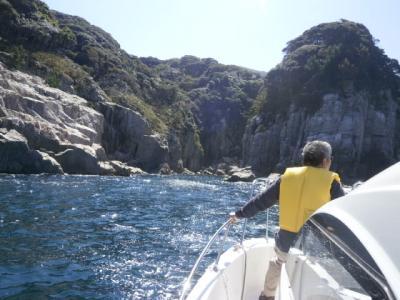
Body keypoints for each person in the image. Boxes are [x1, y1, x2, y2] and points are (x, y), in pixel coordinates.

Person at [229, 140, 345, 300]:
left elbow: (262, 201)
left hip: (285, 242)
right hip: (315, 247)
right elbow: (342, 213)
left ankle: (267, 296)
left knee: (277, 262)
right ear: (325, 161)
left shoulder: (287, 177)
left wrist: (239, 214)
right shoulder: (331, 182)